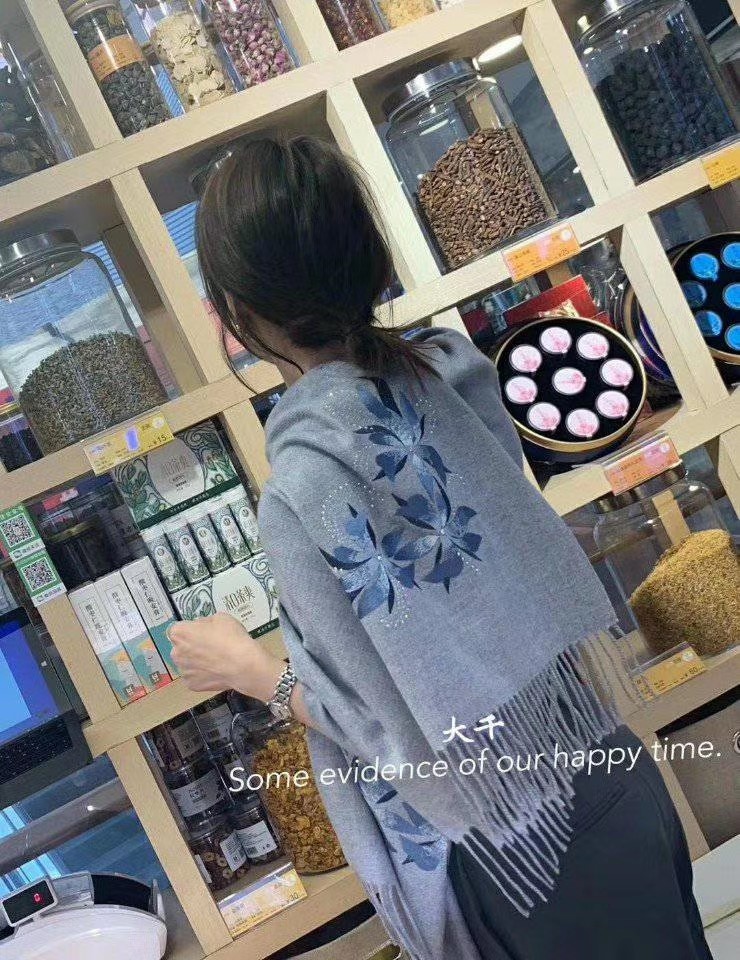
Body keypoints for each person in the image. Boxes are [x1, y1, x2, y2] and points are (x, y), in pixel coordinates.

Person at [169, 136, 712, 960]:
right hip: (607, 768)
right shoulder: (452, 376)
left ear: (234, 312)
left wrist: (252, 672)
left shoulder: (304, 489)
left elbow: (392, 731)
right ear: (372, 256)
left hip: (518, 851)